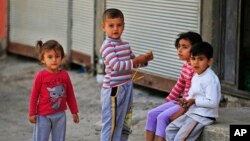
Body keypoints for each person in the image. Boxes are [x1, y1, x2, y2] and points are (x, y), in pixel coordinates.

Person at [100, 8, 154, 141]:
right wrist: (136, 60)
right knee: (111, 123)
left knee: (125, 121)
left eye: (119, 25)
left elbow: (134, 63)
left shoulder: (125, 45)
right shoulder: (107, 46)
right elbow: (116, 66)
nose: (115, 29)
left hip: (127, 87)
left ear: (123, 26)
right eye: (111, 25)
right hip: (114, 90)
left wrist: (145, 60)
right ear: (103, 27)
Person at [145, 31, 203, 141]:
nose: (180, 50)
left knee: (162, 117)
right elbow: (179, 85)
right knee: (152, 114)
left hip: (188, 104)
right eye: (179, 46)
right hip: (180, 101)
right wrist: (169, 100)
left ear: (196, 50)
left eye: (184, 47)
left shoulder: (197, 69)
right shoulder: (186, 65)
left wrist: (184, 106)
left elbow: (196, 93)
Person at [165, 41, 221, 141]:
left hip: (203, 116)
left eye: (200, 59)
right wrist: (185, 101)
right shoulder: (196, 76)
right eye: (193, 58)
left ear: (209, 61)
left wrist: (194, 101)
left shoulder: (210, 79)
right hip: (192, 113)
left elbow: (213, 102)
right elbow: (191, 95)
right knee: (170, 129)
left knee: (180, 138)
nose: (196, 62)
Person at [28, 40, 80, 141]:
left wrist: (74, 111)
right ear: (43, 59)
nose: (54, 60)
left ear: (62, 58)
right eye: (50, 57)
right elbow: (34, 96)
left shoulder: (64, 75)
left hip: (60, 115)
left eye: (57, 56)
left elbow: (70, 94)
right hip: (43, 116)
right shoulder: (40, 76)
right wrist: (32, 112)